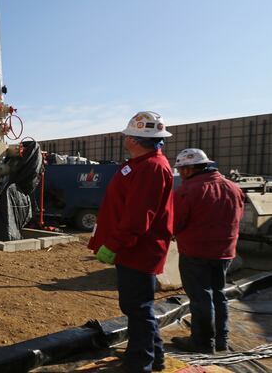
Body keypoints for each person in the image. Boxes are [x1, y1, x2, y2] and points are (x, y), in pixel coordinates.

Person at [88, 111, 174, 373]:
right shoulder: (139, 164)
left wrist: (114, 245)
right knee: (136, 307)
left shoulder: (152, 168)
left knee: (138, 308)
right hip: (132, 250)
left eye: (128, 134)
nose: (124, 137)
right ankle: (153, 356)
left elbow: (138, 217)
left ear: (136, 139)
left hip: (138, 251)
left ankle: (140, 363)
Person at [170, 148, 244, 354]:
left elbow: (175, 223)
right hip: (225, 252)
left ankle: (203, 343)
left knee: (201, 297)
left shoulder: (188, 190)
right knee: (219, 294)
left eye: (181, 169)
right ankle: (221, 339)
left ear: (189, 168)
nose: (180, 173)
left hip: (196, 252)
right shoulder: (233, 187)